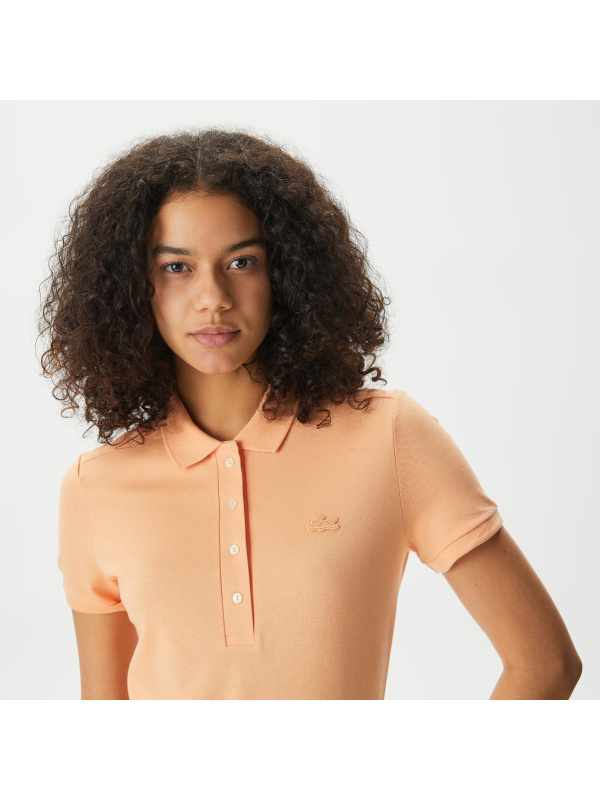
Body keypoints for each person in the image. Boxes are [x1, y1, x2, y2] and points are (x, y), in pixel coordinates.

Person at [38, 127, 582, 700]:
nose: (213, 297)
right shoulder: (95, 487)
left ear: (286, 272)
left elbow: (545, 663)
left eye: (241, 261)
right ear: (131, 285)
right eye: (176, 267)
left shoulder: (390, 438)